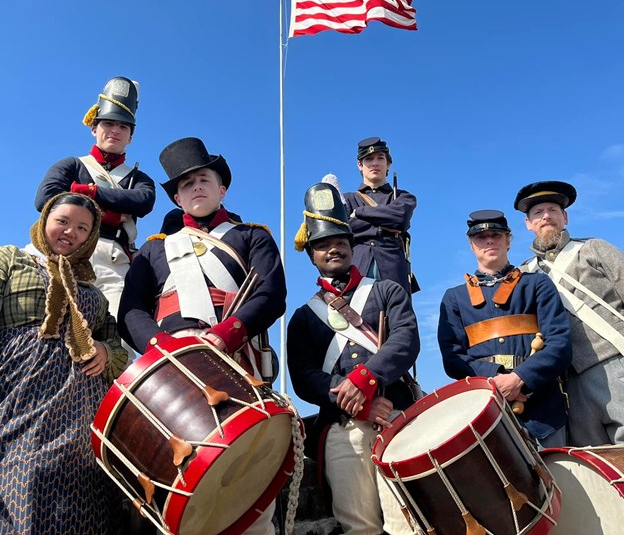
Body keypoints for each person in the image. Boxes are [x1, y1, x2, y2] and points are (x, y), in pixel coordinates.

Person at [118, 137, 286, 534]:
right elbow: (131, 311)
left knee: (251, 491)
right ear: (176, 198)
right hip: (172, 370)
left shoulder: (252, 236)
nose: (196, 187)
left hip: (236, 362)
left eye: (203, 178)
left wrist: (225, 336)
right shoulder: (153, 251)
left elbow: (270, 294)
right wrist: (163, 349)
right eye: (185, 183)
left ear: (221, 187)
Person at [288, 182, 420, 535]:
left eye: (341, 243)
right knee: (358, 527)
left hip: (396, 414)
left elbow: (406, 342)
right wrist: (356, 402)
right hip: (342, 424)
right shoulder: (304, 317)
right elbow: (303, 376)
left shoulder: (387, 291)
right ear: (312, 255)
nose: (333, 249)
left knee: (408, 523)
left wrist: (366, 379)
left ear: (352, 247)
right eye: (323, 245)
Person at [0, 193, 129, 534]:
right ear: (45, 221)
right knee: (24, 479)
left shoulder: (95, 293)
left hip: (82, 412)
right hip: (20, 395)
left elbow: (116, 348)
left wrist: (103, 350)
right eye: (63, 221)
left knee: (85, 498)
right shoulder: (10, 259)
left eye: (82, 228)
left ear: (90, 237)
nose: (70, 232)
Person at [514, 180, 624, 446]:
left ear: (565, 217)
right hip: (567, 382)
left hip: (617, 362)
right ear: (528, 224)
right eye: (537, 213)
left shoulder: (594, 249)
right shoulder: (525, 274)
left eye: (552, 210)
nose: (546, 216)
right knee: (596, 465)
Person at [438, 210, 572, 448]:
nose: (489, 241)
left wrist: (520, 378)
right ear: (472, 245)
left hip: (542, 410)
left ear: (508, 240)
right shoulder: (454, 298)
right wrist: (496, 380)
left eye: (496, 235)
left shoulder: (536, 284)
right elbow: (452, 357)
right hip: (484, 411)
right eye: (481, 237)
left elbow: (559, 343)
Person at [35, 76, 156, 332]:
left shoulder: (138, 178)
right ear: (94, 128)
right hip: (64, 250)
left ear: (130, 137)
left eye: (123, 127)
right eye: (109, 123)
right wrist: (114, 212)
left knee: (115, 330)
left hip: (113, 257)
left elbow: (143, 201)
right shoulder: (72, 164)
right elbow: (45, 199)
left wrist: (86, 191)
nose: (115, 130)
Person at [344, 137, 418, 294]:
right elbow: (345, 228)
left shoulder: (403, 197)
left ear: (388, 164)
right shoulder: (347, 199)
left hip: (393, 270)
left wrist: (359, 213)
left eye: (380, 158)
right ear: (360, 165)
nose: (375, 163)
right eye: (369, 159)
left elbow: (400, 219)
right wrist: (383, 224)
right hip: (357, 268)